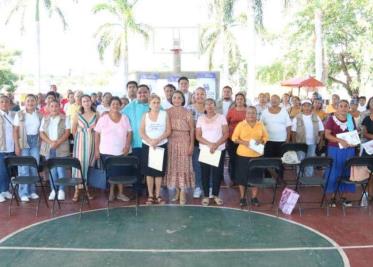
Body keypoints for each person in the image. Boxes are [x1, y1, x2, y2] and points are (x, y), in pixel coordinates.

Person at [95, 97, 132, 201]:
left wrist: (127, 146)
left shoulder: (124, 117)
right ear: (109, 106)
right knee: (111, 173)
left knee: (120, 173)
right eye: (113, 104)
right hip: (106, 151)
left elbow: (130, 132)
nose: (115, 106)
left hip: (121, 151)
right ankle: (112, 192)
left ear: (121, 106)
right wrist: (96, 150)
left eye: (117, 104)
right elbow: (97, 134)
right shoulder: (103, 118)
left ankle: (119, 193)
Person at [231, 106, 268, 206]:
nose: (251, 115)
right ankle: (242, 197)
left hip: (257, 155)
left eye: (253, 113)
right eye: (249, 113)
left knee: (256, 177)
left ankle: (254, 197)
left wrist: (261, 140)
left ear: (256, 114)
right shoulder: (241, 125)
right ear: (245, 114)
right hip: (243, 155)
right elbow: (234, 138)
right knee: (242, 177)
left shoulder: (260, 124)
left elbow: (266, 137)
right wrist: (243, 142)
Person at [196, 98, 229, 206]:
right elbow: (198, 136)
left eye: (211, 104)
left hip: (219, 149)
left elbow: (226, 134)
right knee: (205, 173)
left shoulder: (221, 117)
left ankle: (215, 195)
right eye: (207, 104)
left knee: (217, 173)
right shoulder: (200, 118)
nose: (209, 106)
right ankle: (206, 195)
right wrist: (210, 144)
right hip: (205, 149)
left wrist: (216, 145)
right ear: (204, 106)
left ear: (215, 106)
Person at [140, 94, 171, 205]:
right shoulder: (145, 115)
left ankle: (158, 195)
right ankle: (150, 196)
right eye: (154, 102)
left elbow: (168, 131)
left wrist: (157, 141)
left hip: (160, 145)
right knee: (149, 172)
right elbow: (141, 131)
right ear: (149, 104)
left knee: (158, 172)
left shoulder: (164, 114)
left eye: (158, 102)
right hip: (148, 146)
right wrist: (150, 141)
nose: (156, 104)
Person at [324, 100, 357, 207]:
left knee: (346, 172)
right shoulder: (331, 119)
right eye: (341, 106)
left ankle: (343, 197)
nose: (343, 108)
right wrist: (340, 140)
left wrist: (354, 142)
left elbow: (354, 133)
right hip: (335, 150)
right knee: (334, 172)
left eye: (345, 106)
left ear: (348, 108)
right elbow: (327, 135)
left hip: (348, 150)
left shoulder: (350, 119)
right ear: (337, 108)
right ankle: (333, 197)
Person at [165, 90, 195, 205]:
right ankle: (177, 191)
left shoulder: (188, 112)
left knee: (183, 166)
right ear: (171, 99)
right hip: (171, 141)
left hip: (184, 141)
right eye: (174, 98)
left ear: (183, 99)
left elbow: (192, 129)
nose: (176, 100)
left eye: (179, 98)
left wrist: (191, 144)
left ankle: (183, 191)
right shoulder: (166, 112)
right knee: (173, 167)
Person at [39, 100, 70, 201]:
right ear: (48, 107)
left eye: (56, 106)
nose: (54, 108)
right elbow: (41, 133)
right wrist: (50, 142)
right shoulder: (45, 119)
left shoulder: (65, 118)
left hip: (61, 147)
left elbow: (67, 133)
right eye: (51, 106)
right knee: (52, 170)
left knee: (61, 170)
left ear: (59, 107)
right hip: (49, 147)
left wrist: (58, 142)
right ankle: (53, 190)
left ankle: (61, 190)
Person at [13, 94, 42, 202]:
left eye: (32, 101)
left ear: (36, 102)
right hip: (23, 142)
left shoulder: (39, 114)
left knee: (34, 166)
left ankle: (32, 191)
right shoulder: (19, 114)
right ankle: (23, 192)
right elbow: (15, 131)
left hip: (35, 142)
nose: (30, 103)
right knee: (24, 168)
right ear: (25, 102)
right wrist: (17, 145)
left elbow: (42, 130)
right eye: (28, 101)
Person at [122, 84, 150, 195]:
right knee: (137, 168)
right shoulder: (129, 107)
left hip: (151, 143)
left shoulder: (154, 105)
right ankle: (137, 191)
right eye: (140, 92)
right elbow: (120, 119)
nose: (142, 94)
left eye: (145, 92)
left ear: (148, 93)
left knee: (150, 168)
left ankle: (150, 191)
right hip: (136, 143)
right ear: (136, 94)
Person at [72, 95, 98, 201]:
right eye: (84, 101)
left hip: (92, 142)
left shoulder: (97, 115)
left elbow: (98, 131)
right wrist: (79, 140)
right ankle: (77, 190)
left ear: (91, 102)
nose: (86, 103)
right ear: (81, 103)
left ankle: (87, 189)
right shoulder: (77, 115)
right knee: (79, 165)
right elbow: (73, 130)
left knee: (89, 165)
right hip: (80, 143)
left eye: (88, 100)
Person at [291, 99, 324, 176]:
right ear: (301, 107)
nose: (306, 107)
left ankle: (308, 176)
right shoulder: (297, 117)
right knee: (300, 160)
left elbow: (321, 130)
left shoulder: (316, 116)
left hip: (312, 142)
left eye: (308, 105)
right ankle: (300, 176)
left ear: (311, 107)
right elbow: (293, 132)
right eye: (304, 105)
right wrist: (294, 144)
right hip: (300, 143)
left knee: (310, 160)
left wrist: (321, 142)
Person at [187, 87, 206, 199]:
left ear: (205, 95)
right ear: (194, 95)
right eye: (197, 94)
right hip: (195, 141)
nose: (199, 96)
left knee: (208, 165)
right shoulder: (189, 108)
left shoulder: (209, 107)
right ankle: (198, 187)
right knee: (197, 165)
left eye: (202, 94)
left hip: (208, 141)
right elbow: (190, 126)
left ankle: (208, 187)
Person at [226, 92, 246, 184]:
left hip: (244, 140)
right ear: (235, 100)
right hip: (232, 139)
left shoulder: (248, 110)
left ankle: (241, 177)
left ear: (244, 100)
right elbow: (226, 123)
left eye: (241, 99)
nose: (239, 100)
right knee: (233, 159)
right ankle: (233, 178)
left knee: (242, 159)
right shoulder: (231, 111)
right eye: (237, 99)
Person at [0, 95, 15, 203]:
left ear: (10, 104)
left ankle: (5, 190)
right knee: (2, 171)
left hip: (11, 148)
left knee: (9, 171)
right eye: (1, 102)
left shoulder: (13, 115)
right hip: (1, 148)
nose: (4, 104)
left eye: (6, 102)